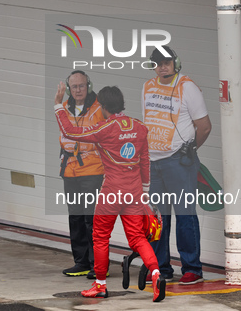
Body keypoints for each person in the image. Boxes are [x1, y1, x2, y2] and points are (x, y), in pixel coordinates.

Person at [55, 84, 166, 302]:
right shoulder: (140, 127)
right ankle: (156, 274)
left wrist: (59, 105)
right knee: (136, 237)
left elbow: (70, 132)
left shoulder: (104, 128)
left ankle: (100, 285)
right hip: (134, 192)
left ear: (103, 106)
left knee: (100, 237)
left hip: (112, 192)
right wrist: (144, 192)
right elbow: (145, 162)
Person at [141, 46, 212, 285]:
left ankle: (192, 268)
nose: (162, 66)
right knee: (158, 218)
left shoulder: (187, 87)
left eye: (167, 62)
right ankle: (161, 267)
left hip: (179, 162)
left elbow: (204, 127)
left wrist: (189, 151)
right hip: (154, 161)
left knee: (185, 215)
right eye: (158, 62)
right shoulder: (147, 87)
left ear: (176, 62)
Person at [58, 70, 105, 279]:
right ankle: (82, 262)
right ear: (69, 89)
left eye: (82, 86)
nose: (78, 90)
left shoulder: (98, 108)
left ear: (89, 86)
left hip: (92, 170)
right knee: (76, 218)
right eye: (74, 86)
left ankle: (98, 265)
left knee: (92, 219)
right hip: (70, 169)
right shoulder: (64, 108)